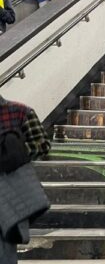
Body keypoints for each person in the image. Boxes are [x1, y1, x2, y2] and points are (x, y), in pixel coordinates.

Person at [0, 96, 51, 264]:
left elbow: (42, 144)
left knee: (5, 251)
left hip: (10, 193)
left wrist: (11, 154)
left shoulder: (19, 112)